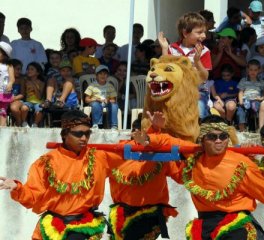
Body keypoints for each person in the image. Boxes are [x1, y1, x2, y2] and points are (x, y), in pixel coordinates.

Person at [132, 114, 264, 239]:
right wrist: (147, 138)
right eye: (212, 137)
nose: (218, 141)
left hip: (236, 227)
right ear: (202, 139)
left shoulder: (241, 164)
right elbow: (166, 140)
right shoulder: (193, 155)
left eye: (223, 136)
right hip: (204, 226)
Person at [0, 110, 111, 239]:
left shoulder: (99, 157)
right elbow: (32, 196)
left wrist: (139, 142)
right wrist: (17, 187)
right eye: (78, 134)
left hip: (84, 226)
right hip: (54, 226)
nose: (84, 138)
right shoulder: (46, 162)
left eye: (87, 134)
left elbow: (128, 160)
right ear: (64, 134)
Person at [107, 112, 182, 240]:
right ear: (133, 134)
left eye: (147, 137)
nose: (142, 140)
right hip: (121, 213)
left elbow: (181, 177)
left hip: (151, 215)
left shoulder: (161, 154)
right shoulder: (115, 153)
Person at [158, 12, 212, 81]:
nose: (204, 36)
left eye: (204, 32)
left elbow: (205, 77)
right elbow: (164, 68)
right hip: (178, 88)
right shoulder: (172, 49)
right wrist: (164, 49)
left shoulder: (204, 51)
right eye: (199, 32)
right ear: (185, 33)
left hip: (197, 89)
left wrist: (197, 61)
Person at [84, 65, 118, 129]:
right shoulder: (92, 86)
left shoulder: (110, 86)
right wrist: (96, 99)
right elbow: (86, 99)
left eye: (105, 74)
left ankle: (114, 125)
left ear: (107, 76)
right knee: (96, 105)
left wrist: (108, 100)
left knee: (114, 105)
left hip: (106, 103)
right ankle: (97, 124)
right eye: (100, 74)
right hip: (95, 102)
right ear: (96, 75)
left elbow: (114, 100)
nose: (103, 76)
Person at [237, 59, 264, 132]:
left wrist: (261, 98)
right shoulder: (244, 80)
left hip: (256, 100)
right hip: (245, 100)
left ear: (259, 70)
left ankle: (258, 129)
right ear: (247, 70)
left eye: (255, 70)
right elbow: (240, 91)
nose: (253, 72)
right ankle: (242, 131)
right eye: (251, 70)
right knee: (240, 112)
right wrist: (240, 102)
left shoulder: (261, 81)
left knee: (257, 107)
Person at [21, 62, 45, 128]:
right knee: (24, 108)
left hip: (38, 102)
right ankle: (24, 122)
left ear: (37, 73)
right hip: (28, 101)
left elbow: (39, 97)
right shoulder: (24, 81)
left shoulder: (41, 82)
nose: (29, 71)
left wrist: (33, 85)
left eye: (32, 69)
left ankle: (35, 124)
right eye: (28, 69)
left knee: (40, 110)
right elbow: (23, 93)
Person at [0, 41, 14, 126]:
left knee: (3, 110)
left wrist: (10, 84)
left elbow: (12, 78)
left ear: (5, 55)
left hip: (4, 91)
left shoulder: (9, 66)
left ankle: (2, 127)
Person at [9, 59, 25, 126]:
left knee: (14, 108)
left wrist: (13, 98)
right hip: (4, 99)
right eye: (17, 69)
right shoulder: (5, 78)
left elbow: (22, 94)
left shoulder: (21, 80)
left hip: (17, 99)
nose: (19, 71)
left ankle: (19, 121)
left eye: (20, 69)